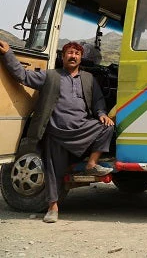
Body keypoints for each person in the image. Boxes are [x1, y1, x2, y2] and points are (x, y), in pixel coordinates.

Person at [0, 40, 115, 223]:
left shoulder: (88, 79)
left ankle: (91, 164)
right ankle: (53, 207)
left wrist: (102, 114)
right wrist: (8, 54)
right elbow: (22, 76)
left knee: (106, 127)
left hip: (81, 127)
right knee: (53, 170)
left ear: (81, 58)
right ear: (63, 57)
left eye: (76, 54)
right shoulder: (51, 76)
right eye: (69, 53)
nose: (73, 56)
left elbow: (98, 101)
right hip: (57, 129)